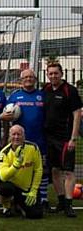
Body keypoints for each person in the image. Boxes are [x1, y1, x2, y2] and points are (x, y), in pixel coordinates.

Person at [0, 69, 50, 211]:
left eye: (31, 77)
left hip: (40, 138)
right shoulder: (15, 96)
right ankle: (14, 197)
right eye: (25, 77)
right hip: (19, 140)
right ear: (20, 80)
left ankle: (43, 198)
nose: (28, 79)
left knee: (42, 169)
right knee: (18, 167)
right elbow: (4, 115)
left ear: (35, 79)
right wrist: (4, 119)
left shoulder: (42, 96)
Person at [42, 62, 81, 217]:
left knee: (68, 171)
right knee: (54, 170)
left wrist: (73, 138)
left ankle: (69, 205)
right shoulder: (45, 89)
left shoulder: (69, 90)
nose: (53, 76)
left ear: (61, 74)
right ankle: (61, 201)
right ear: (47, 75)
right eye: (50, 73)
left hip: (65, 138)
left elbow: (77, 114)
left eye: (55, 73)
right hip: (49, 138)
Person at [0, 125, 43, 219]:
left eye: (19, 134)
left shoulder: (33, 148)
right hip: (12, 186)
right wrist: (16, 165)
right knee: (4, 187)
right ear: (10, 136)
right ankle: (7, 207)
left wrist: (33, 190)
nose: (16, 137)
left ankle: (18, 204)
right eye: (13, 134)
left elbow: (38, 170)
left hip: (27, 188)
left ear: (24, 136)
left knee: (36, 214)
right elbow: (3, 176)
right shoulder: (4, 152)